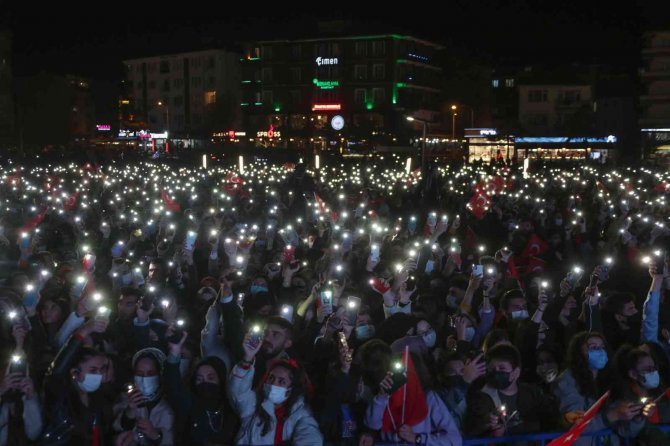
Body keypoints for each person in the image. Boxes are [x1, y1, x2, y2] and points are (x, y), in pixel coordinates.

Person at [228, 330, 322, 445]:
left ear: (291, 389)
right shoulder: (253, 405)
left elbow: (311, 437)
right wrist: (248, 358)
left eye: (281, 381)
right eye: (271, 378)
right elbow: (237, 392)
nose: (273, 383)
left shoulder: (299, 413)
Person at [113, 348, 174, 445]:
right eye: (140, 374)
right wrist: (129, 412)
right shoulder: (125, 399)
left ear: (159, 375)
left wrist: (156, 435)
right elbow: (116, 429)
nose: (145, 378)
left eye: (150, 374)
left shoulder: (168, 407)